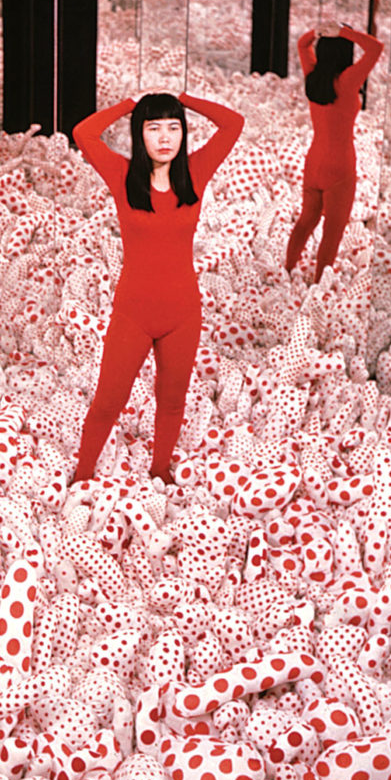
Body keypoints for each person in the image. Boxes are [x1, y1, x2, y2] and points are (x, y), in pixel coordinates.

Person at [70, 91, 244, 485]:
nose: (165, 137)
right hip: (133, 313)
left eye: (173, 127)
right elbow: (84, 133)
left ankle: (161, 471)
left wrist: (184, 99)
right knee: (107, 402)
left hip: (183, 313)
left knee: (172, 401)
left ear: (184, 133)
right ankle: (82, 476)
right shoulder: (121, 175)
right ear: (139, 134)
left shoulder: (196, 173)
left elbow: (234, 123)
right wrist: (129, 105)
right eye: (153, 128)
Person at [285, 21, 384, 281]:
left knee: (306, 221)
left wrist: (317, 31)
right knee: (333, 230)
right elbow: (375, 48)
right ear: (345, 50)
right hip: (340, 166)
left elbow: (301, 44)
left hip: (313, 162)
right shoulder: (348, 81)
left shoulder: (313, 76)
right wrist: (344, 33)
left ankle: (287, 269)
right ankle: (318, 285)